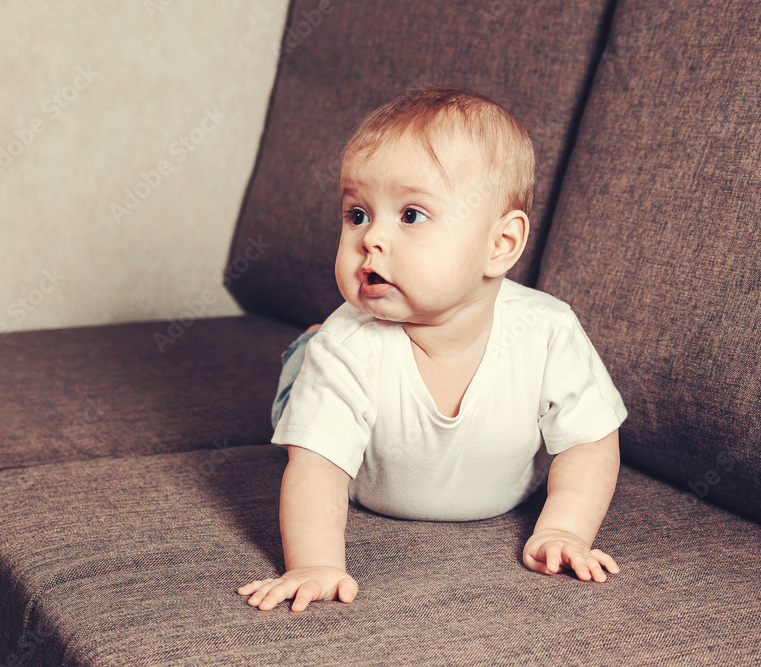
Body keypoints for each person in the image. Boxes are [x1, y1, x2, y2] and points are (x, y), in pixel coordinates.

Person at [238, 87, 628, 612]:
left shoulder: (547, 330)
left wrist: (565, 530)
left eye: (411, 215)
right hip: (346, 406)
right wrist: (314, 563)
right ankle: (300, 356)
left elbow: (590, 443)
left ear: (500, 245)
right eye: (356, 214)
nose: (371, 238)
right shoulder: (346, 347)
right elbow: (317, 471)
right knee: (307, 387)